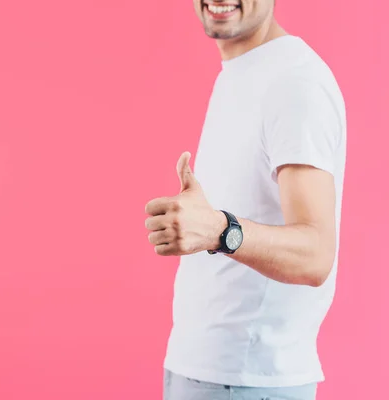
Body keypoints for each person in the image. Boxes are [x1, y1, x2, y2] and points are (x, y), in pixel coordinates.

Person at [144, 0, 346, 399]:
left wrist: (221, 230)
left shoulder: (294, 83)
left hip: (248, 381)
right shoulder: (245, 70)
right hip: (202, 371)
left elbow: (316, 254)